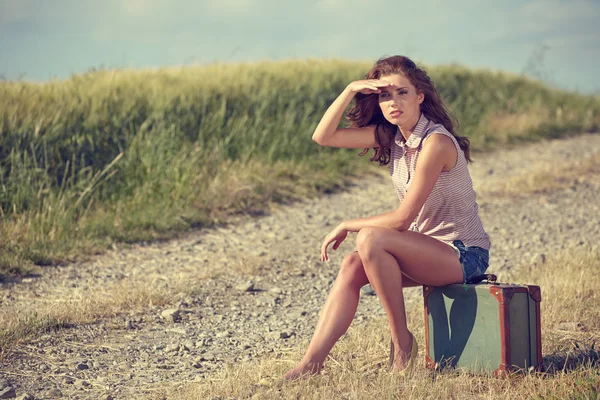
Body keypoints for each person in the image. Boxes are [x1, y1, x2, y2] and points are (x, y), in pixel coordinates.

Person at [282, 55, 491, 380]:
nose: (393, 103)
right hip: (425, 250)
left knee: (369, 237)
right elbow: (323, 137)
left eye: (402, 93)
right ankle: (310, 364)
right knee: (352, 265)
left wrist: (347, 224)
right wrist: (351, 89)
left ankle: (401, 341)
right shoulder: (393, 137)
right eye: (384, 95)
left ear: (420, 96)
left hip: (464, 256)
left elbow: (403, 219)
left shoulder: (435, 143)